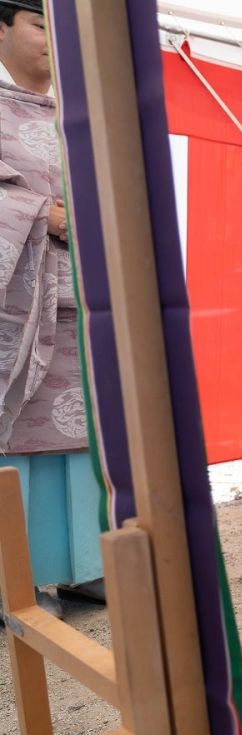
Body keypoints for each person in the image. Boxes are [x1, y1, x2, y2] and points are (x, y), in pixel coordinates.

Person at [0, 0, 103, 616]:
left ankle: (84, 569)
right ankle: (15, 577)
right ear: (3, 27)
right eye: (41, 24)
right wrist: (47, 215)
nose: (52, 40)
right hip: (16, 308)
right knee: (16, 440)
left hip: (84, 304)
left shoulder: (84, 114)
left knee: (83, 434)